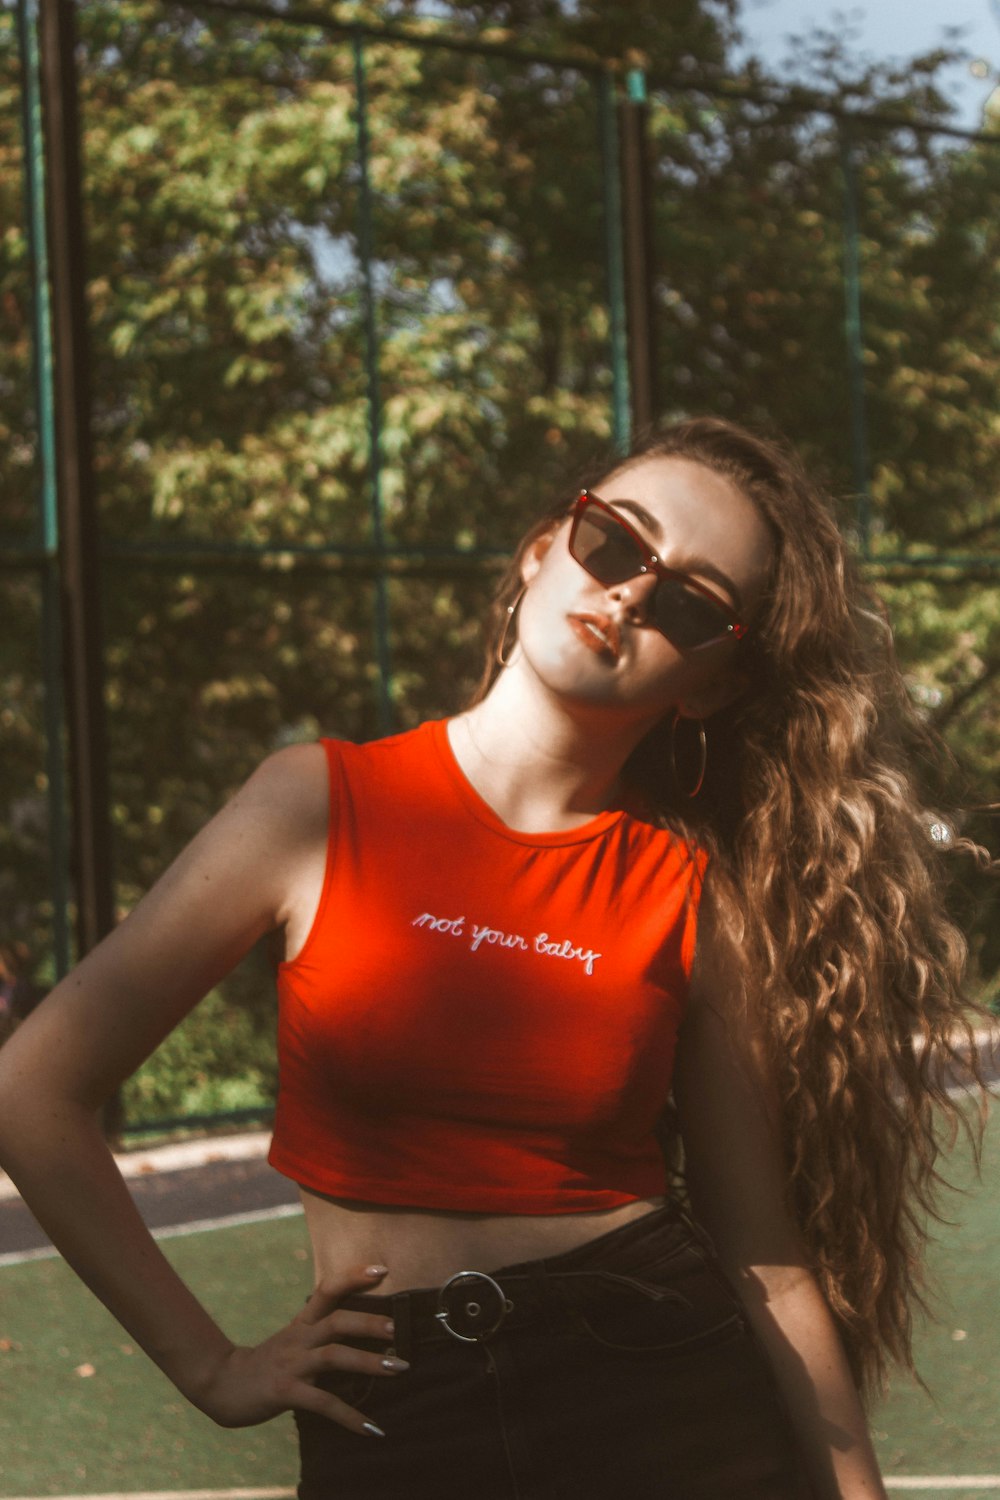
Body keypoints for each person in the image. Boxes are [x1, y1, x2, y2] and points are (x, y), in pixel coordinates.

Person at [0, 417, 987, 1500]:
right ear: (539, 552)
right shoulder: (315, 805)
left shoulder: (691, 897)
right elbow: (32, 1089)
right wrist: (212, 1368)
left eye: (691, 604)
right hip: (397, 1411)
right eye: (615, 543)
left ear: (709, 683)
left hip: (659, 1395)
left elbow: (766, 1255)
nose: (627, 596)